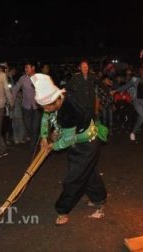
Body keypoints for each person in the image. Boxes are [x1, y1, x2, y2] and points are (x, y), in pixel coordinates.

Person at [33, 73, 108, 226]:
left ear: (57, 100)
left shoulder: (68, 111)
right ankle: (99, 198)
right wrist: (44, 136)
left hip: (87, 144)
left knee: (74, 178)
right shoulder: (60, 97)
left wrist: (52, 146)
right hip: (80, 142)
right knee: (88, 172)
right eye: (43, 107)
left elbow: (68, 139)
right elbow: (46, 118)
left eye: (48, 106)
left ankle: (62, 209)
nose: (45, 110)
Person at [12, 61, 41, 151]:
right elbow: (15, 89)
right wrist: (12, 101)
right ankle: (34, 140)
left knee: (35, 127)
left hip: (37, 107)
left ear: (33, 68)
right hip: (26, 107)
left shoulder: (39, 78)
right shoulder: (22, 78)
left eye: (27, 67)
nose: (25, 69)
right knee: (28, 127)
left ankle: (33, 145)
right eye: (25, 68)